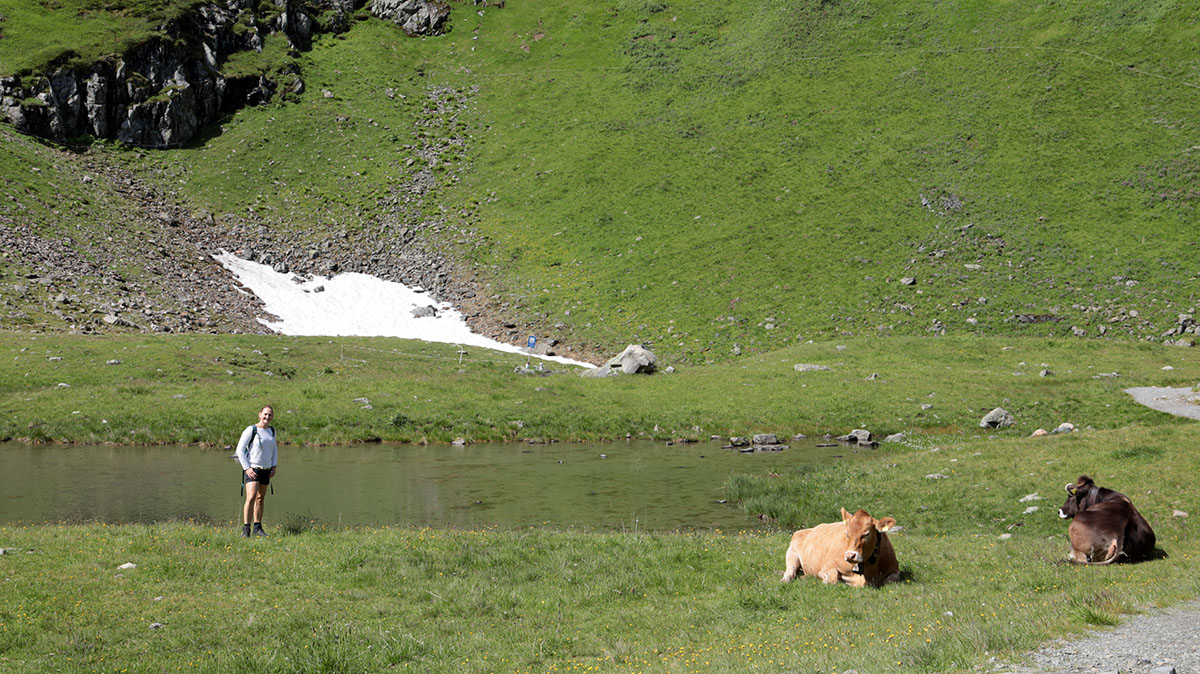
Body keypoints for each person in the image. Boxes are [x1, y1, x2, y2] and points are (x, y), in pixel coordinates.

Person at [235, 405, 278, 537]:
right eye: (265, 414)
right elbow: (239, 450)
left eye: (270, 415)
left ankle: (257, 528)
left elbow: (274, 449)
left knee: (260, 498)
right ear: (260, 414)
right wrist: (247, 468)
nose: (267, 417)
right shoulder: (251, 430)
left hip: (266, 469)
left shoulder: (272, 431)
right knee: (251, 497)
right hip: (253, 468)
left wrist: (274, 466)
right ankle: (246, 529)